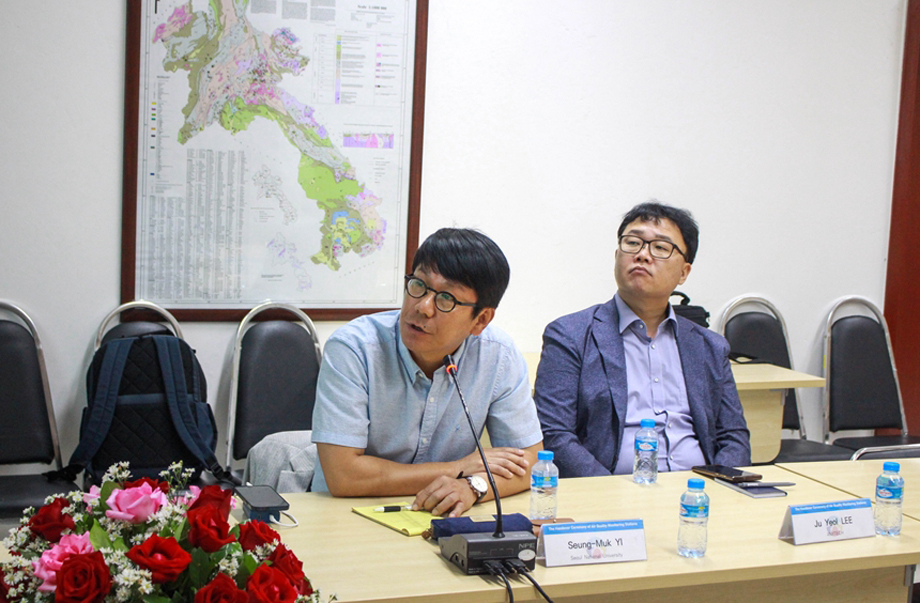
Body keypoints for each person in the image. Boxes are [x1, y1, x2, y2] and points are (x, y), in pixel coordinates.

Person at [251, 228, 543, 517]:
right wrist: (457, 470)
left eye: (446, 299)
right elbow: (344, 476)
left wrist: (473, 486)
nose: (423, 307)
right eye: (418, 285)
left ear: (480, 319)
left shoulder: (498, 355)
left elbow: (530, 463)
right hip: (345, 515)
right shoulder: (354, 349)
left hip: (438, 517)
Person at [534, 201, 750, 477]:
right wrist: (611, 494)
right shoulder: (570, 334)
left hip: (697, 496)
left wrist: (718, 488)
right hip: (612, 495)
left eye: (660, 248)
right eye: (633, 243)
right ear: (616, 256)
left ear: (684, 272)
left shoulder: (709, 346)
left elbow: (733, 436)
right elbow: (555, 434)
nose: (643, 255)